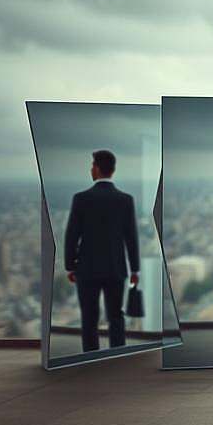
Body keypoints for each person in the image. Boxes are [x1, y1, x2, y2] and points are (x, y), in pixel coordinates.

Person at [63, 150, 139, 352]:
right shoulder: (125, 200)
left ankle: (91, 356)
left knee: (89, 318)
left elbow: (72, 235)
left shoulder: (81, 199)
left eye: (92, 165)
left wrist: (70, 266)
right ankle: (117, 354)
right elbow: (131, 238)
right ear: (113, 170)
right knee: (116, 315)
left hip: (87, 269)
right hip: (116, 267)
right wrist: (135, 270)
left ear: (96, 168)